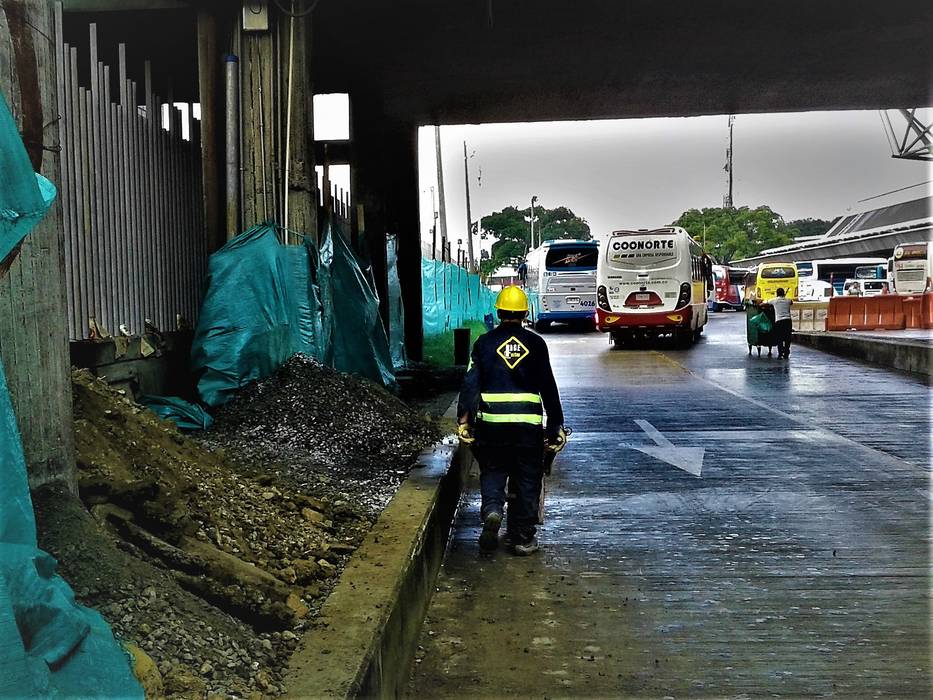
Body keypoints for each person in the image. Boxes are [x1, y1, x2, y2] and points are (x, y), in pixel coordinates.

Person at [457, 285, 564, 555]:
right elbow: (548, 386)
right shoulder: (537, 344)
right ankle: (522, 537)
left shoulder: (484, 343)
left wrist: (464, 420)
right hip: (527, 429)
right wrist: (555, 425)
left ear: (500, 311)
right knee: (527, 477)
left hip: (492, 427)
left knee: (493, 470)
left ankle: (493, 510)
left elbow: (471, 383)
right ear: (525, 313)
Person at [767, 287, 793, 359]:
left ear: (777, 294)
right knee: (787, 338)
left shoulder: (774, 300)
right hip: (788, 321)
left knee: (779, 338)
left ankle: (780, 353)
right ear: (784, 293)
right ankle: (786, 352)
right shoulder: (788, 300)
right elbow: (792, 302)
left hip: (779, 321)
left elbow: (765, 302)